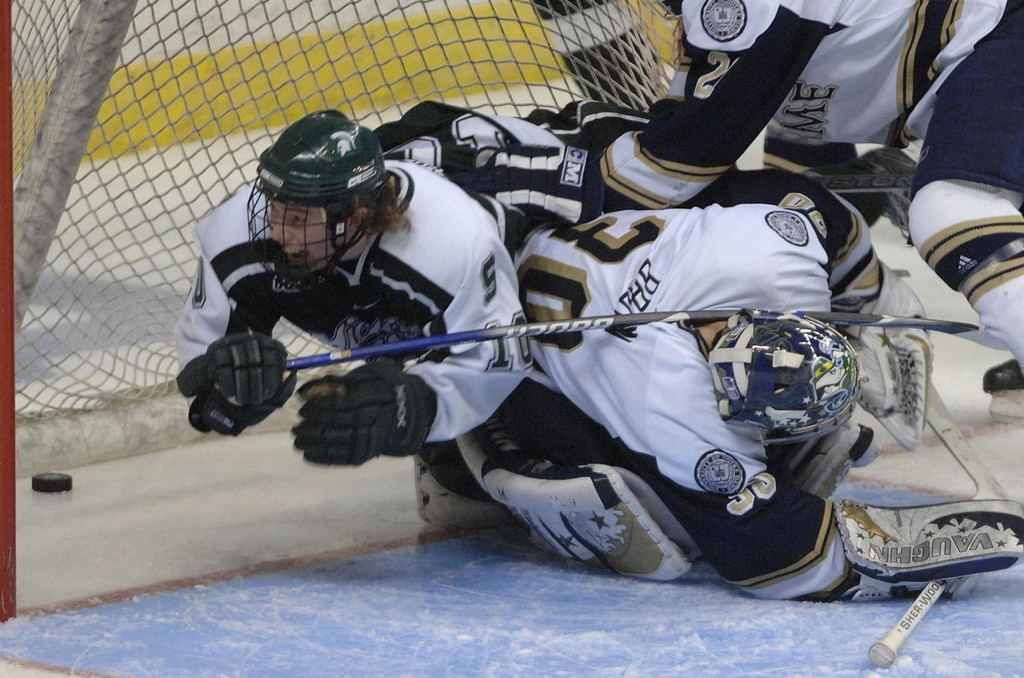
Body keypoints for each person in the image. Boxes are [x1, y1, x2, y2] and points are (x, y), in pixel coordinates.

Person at [451, 170, 1024, 601]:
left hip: (543, 241)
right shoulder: (672, 402)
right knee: (662, 524)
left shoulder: (777, 254)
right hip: (501, 356)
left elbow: (818, 207)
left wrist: (867, 294)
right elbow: (771, 559)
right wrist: (887, 566)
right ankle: (457, 464)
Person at [455, 0, 1024, 422]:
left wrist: (509, 176)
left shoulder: (740, 8)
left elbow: (671, 171)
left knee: (957, 211)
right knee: (804, 155)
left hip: (994, 34)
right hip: (942, 65)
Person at [173, 109, 533, 470]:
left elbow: (503, 355)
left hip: (524, 244)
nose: (279, 234)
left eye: (298, 219)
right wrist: (235, 390)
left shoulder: (448, 242)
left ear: (356, 217)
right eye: (275, 209)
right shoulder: (239, 240)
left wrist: (414, 407)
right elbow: (207, 399)